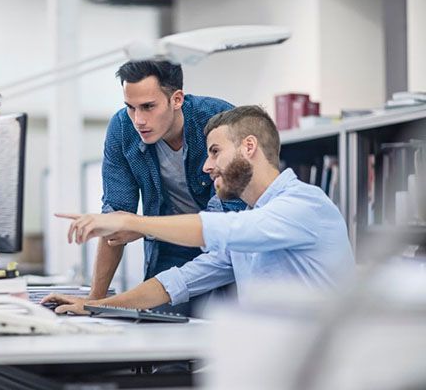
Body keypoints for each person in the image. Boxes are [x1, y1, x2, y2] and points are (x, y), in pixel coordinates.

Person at [45, 105, 355, 314]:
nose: (207, 166)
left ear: (249, 147)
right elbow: (178, 282)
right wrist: (96, 306)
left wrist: (132, 222)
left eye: (215, 152)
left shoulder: (304, 205)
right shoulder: (252, 223)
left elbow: (217, 229)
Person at [89, 60, 245, 316]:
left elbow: (223, 223)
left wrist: (140, 227)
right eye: (131, 107)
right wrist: (94, 302)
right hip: (168, 244)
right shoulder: (122, 129)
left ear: (177, 99)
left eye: (148, 107)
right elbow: (116, 217)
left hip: (226, 246)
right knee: (158, 324)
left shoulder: (219, 120)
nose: (138, 120)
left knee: (224, 329)